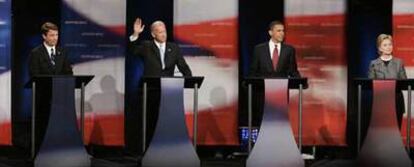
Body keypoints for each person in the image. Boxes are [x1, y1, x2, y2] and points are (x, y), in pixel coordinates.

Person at [126, 17, 192, 155]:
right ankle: (148, 151)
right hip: (150, 91)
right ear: (153, 34)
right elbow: (133, 50)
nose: (163, 34)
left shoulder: (173, 48)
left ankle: (170, 150)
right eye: (160, 32)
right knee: (151, 122)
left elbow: (183, 66)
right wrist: (136, 35)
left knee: (168, 122)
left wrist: (190, 80)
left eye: (165, 31)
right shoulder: (146, 46)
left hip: (169, 92)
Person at [28, 22, 73, 153]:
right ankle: (40, 154)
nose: (55, 38)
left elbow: (68, 73)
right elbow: (33, 75)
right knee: (43, 127)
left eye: (57, 35)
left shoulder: (62, 52)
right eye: (52, 35)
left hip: (60, 100)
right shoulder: (36, 53)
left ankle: (59, 152)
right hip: (43, 99)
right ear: (44, 36)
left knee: (59, 128)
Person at [247, 20, 301, 127]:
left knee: (280, 124)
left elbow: (293, 71)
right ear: (270, 33)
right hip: (263, 95)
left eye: (283, 31)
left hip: (281, 96)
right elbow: (253, 72)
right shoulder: (259, 49)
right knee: (262, 123)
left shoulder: (289, 50)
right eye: (278, 31)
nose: (282, 33)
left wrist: (300, 82)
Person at [368, 34, 407, 127]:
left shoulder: (399, 63)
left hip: (396, 100)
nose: (388, 47)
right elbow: (370, 83)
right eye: (385, 45)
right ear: (380, 48)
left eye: (390, 44)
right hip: (381, 101)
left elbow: (404, 81)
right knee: (382, 130)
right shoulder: (374, 64)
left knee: (396, 129)